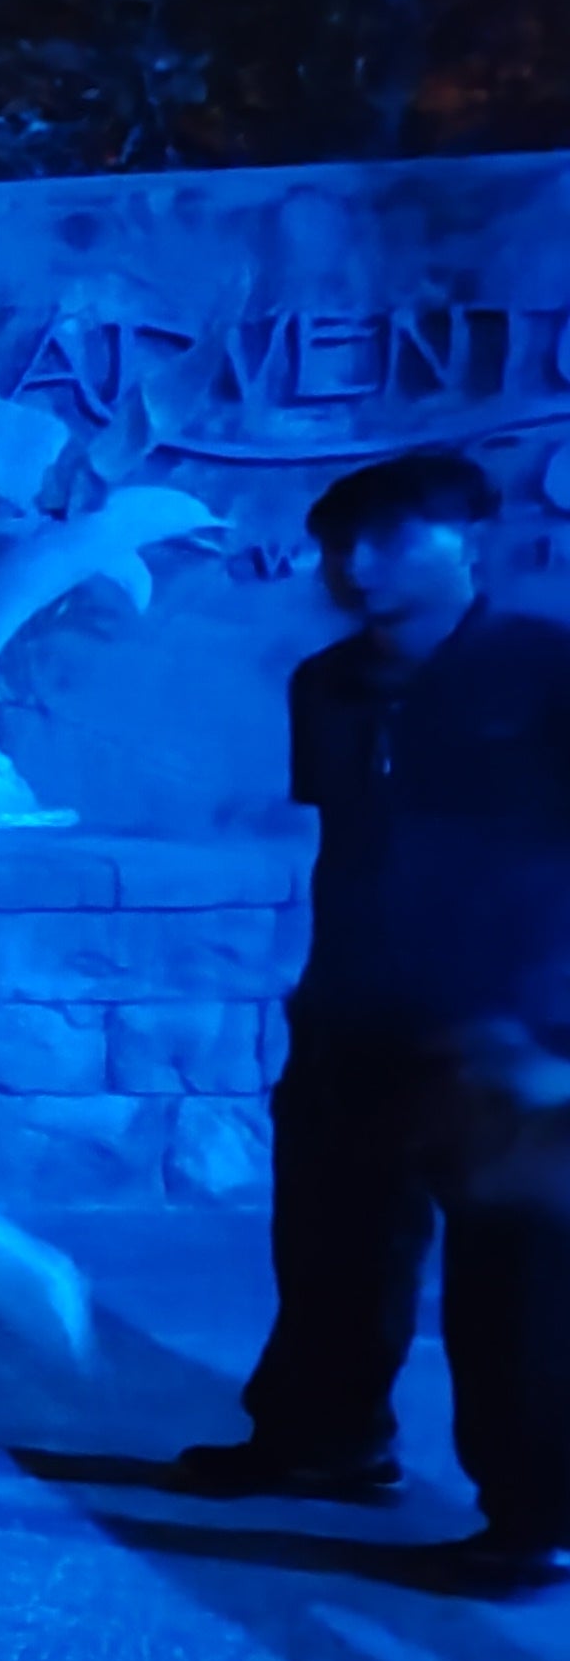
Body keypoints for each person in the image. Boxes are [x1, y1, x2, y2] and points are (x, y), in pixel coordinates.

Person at [172, 452, 570, 1598]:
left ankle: (537, 1517)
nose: (356, 564)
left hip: (511, 1025)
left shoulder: (546, 671)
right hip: (355, 1009)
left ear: (468, 541)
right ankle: (324, 1441)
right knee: (329, 1239)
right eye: (340, 542)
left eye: (392, 538)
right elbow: (345, 847)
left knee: (515, 1282)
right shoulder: (328, 683)